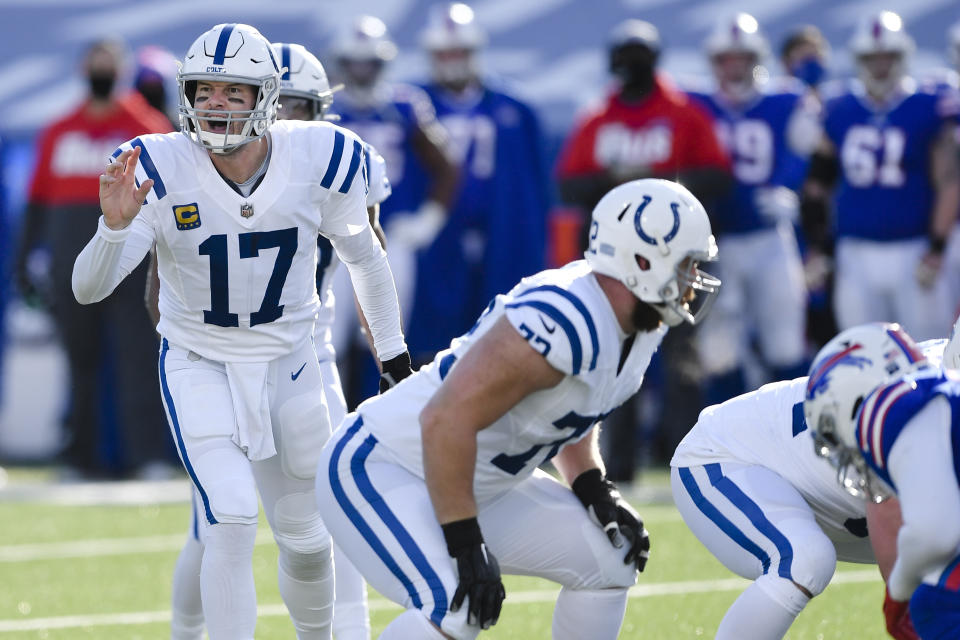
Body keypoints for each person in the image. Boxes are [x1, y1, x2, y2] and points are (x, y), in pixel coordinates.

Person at [71, 24, 411, 640]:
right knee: (226, 517)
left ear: (269, 99)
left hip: (293, 358)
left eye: (234, 90)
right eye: (205, 90)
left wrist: (395, 358)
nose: (216, 104)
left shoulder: (319, 154)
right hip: (201, 359)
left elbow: (366, 258)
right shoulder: (159, 163)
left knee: (308, 539)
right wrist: (113, 230)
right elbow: (89, 288)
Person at [316, 178, 721, 639]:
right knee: (456, 605)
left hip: (473, 478)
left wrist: (591, 484)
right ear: (643, 261)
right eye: (686, 266)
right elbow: (445, 419)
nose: (692, 282)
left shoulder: (639, 324)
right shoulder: (562, 317)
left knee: (610, 560)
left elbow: (576, 403)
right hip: (384, 466)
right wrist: (466, 541)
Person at [158, 41, 391, 640]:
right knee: (215, 524)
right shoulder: (197, 167)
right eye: (277, 103)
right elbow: (160, 287)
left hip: (304, 352)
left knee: (327, 515)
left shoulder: (324, 166)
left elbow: (370, 259)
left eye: (297, 106)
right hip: (216, 355)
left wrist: (390, 351)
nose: (282, 119)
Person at [669, 335, 952, 639]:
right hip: (723, 458)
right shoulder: (919, 403)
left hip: (837, 497)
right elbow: (892, 528)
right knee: (806, 560)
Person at [555, 19, 731, 478]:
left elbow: (717, 174)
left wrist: (658, 183)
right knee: (615, 356)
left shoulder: (682, 112)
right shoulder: (599, 117)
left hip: (674, 258)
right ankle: (623, 462)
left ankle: (683, 457)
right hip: (621, 263)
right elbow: (569, 184)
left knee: (679, 356)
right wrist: (616, 181)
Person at [14, 38, 173, 479]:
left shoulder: (146, 127)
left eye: (108, 66)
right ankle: (78, 457)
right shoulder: (59, 130)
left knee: (138, 359)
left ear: (121, 71)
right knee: (78, 362)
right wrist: (25, 261)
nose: (101, 74)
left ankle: (146, 457)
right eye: (95, 66)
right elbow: (37, 204)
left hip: (132, 262)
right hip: (70, 265)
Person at [801, 11, 960, 342]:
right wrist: (819, 245)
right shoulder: (840, 107)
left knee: (929, 352)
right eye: (872, 57)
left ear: (903, 56)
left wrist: (937, 246)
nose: (880, 65)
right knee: (859, 351)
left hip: (914, 249)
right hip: (854, 250)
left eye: (888, 56)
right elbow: (818, 182)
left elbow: (949, 180)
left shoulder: (928, 103)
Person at [408, 2, 550, 362]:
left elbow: (538, 189)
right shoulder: (410, 106)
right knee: (431, 343)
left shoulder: (516, 108)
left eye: (460, 51)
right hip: (435, 235)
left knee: (505, 334)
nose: (453, 60)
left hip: (502, 234)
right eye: (445, 52)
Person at [687, 13, 817, 406]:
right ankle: (724, 431)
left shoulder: (787, 100)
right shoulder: (694, 104)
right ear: (714, 61)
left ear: (756, 58)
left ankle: (794, 428)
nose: (734, 66)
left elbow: (806, 153)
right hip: (717, 241)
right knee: (719, 345)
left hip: (769, 237)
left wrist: (787, 187)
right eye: (727, 58)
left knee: (785, 338)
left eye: (742, 57)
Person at [804, 322, 960, 640]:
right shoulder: (942, 394)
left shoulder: (891, 412)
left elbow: (934, 535)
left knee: (934, 602)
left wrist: (899, 592)